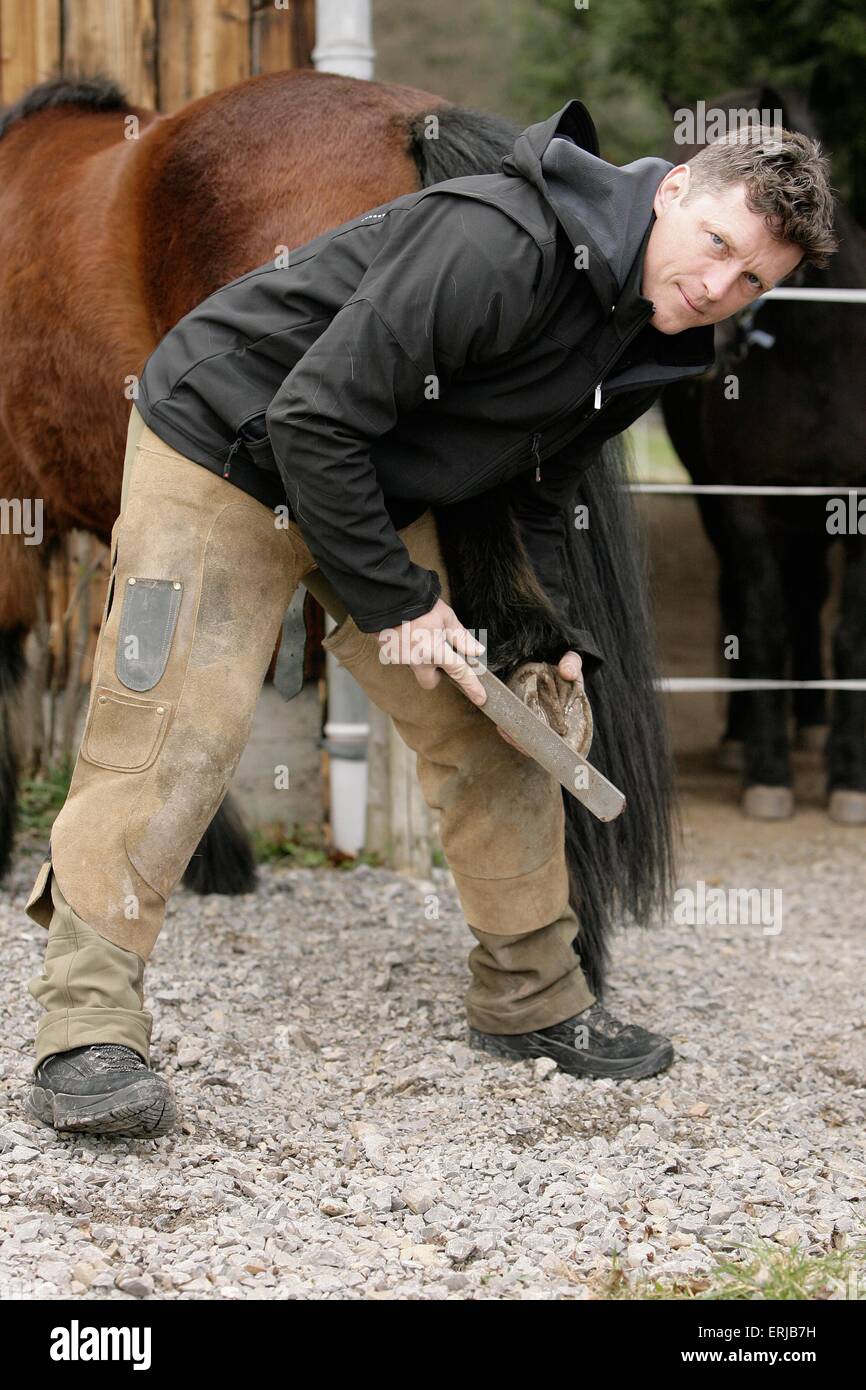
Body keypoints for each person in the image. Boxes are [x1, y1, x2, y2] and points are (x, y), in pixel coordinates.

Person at [23, 99, 835, 1137]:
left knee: (494, 723)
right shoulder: (501, 241)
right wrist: (398, 603)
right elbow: (310, 416)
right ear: (672, 188)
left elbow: (540, 476)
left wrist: (541, 630)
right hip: (226, 448)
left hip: (371, 483)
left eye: (752, 280)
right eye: (716, 244)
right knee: (173, 730)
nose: (718, 285)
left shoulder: (653, 333)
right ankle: (85, 1032)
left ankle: (530, 997)